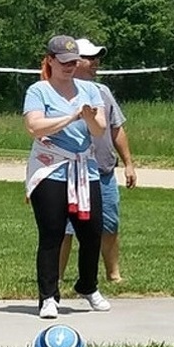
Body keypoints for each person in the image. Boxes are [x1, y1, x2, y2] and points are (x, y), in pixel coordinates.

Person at [23, 35, 111, 319]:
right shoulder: (39, 90)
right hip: (50, 168)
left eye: (74, 61)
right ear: (50, 60)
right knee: (52, 234)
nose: (70, 67)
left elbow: (99, 130)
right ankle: (48, 296)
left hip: (84, 169)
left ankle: (88, 285)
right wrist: (72, 116)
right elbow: (35, 126)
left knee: (92, 231)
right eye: (64, 62)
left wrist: (87, 117)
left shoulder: (89, 89)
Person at [59, 38, 137, 284]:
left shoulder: (103, 92)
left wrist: (129, 163)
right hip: (72, 173)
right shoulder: (60, 92)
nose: (96, 63)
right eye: (91, 58)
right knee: (65, 230)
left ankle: (113, 274)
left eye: (96, 58)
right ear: (75, 61)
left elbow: (117, 128)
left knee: (110, 225)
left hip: (103, 173)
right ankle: (57, 278)